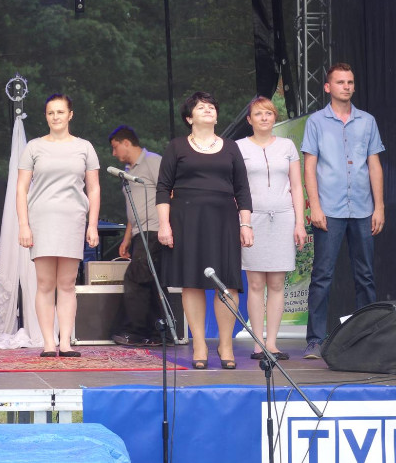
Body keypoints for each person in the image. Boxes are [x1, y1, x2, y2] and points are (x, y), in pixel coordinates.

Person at [156, 92, 253, 370]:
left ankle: (225, 344)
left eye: (212, 107)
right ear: (190, 118)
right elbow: (163, 188)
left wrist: (245, 224)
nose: (208, 110)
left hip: (224, 221)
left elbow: (242, 190)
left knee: (228, 283)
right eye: (201, 107)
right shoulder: (176, 146)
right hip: (186, 221)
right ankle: (199, 343)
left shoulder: (231, 147)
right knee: (192, 282)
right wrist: (164, 225)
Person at [301, 63, 385, 359]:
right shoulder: (316, 121)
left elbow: (374, 165)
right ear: (328, 87)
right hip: (330, 209)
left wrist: (379, 207)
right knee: (322, 275)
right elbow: (309, 167)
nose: (346, 86)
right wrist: (315, 206)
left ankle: (367, 337)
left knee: (366, 275)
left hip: (362, 208)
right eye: (340, 82)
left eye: (350, 82)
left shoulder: (367, 121)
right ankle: (315, 340)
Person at [17, 94, 100, 358]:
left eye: (60, 112)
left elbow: (94, 188)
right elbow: (21, 189)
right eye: (51, 112)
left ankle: (65, 342)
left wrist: (92, 224)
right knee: (44, 283)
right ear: (46, 116)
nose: (56, 117)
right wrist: (23, 225)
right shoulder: (34, 147)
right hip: (41, 219)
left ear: (70, 115)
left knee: (66, 283)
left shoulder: (84, 147)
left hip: (72, 219)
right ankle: (48, 343)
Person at [236, 97, 307, 361]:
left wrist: (299, 222)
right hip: (252, 219)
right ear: (249, 120)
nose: (264, 117)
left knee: (277, 283)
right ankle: (258, 344)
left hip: (284, 217)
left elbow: (297, 186)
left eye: (269, 113)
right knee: (255, 283)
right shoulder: (238, 147)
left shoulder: (287, 146)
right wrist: (242, 222)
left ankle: (272, 343)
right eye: (258, 114)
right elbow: (236, 189)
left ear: (275, 117)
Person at [107, 125, 168, 348]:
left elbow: (169, 192)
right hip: (138, 233)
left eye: (115, 147)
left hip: (154, 230)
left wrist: (167, 225)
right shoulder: (127, 172)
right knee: (149, 281)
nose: (114, 153)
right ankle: (159, 333)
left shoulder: (152, 161)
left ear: (126, 143)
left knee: (136, 278)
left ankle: (135, 331)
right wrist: (126, 239)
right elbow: (133, 209)